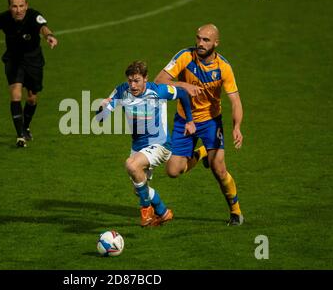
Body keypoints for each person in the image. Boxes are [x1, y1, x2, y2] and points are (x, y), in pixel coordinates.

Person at [154, 24, 245, 226]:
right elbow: (158, 82)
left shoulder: (223, 67)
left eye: (206, 40)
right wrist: (183, 85)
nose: (200, 43)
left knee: (218, 169)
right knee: (172, 171)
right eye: (198, 38)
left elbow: (236, 100)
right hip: (184, 120)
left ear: (216, 43)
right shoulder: (185, 57)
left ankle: (235, 211)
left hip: (211, 122)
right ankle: (202, 152)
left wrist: (236, 126)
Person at [96, 60, 196, 227]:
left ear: (145, 79)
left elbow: (183, 94)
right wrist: (101, 109)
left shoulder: (158, 90)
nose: (133, 85)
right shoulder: (122, 91)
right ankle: (163, 212)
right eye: (130, 81)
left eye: (137, 80)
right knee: (139, 187)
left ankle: (146, 210)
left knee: (131, 165)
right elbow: (101, 118)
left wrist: (190, 121)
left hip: (160, 145)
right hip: (138, 147)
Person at [0, 0, 58, 147]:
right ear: (9, 7)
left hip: (33, 60)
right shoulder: (2, 19)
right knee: (16, 94)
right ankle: (20, 136)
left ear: (26, 5)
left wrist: (49, 36)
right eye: (14, 6)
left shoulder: (33, 15)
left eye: (21, 6)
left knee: (32, 98)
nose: (18, 10)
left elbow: (43, 27)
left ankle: (25, 126)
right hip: (14, 60)